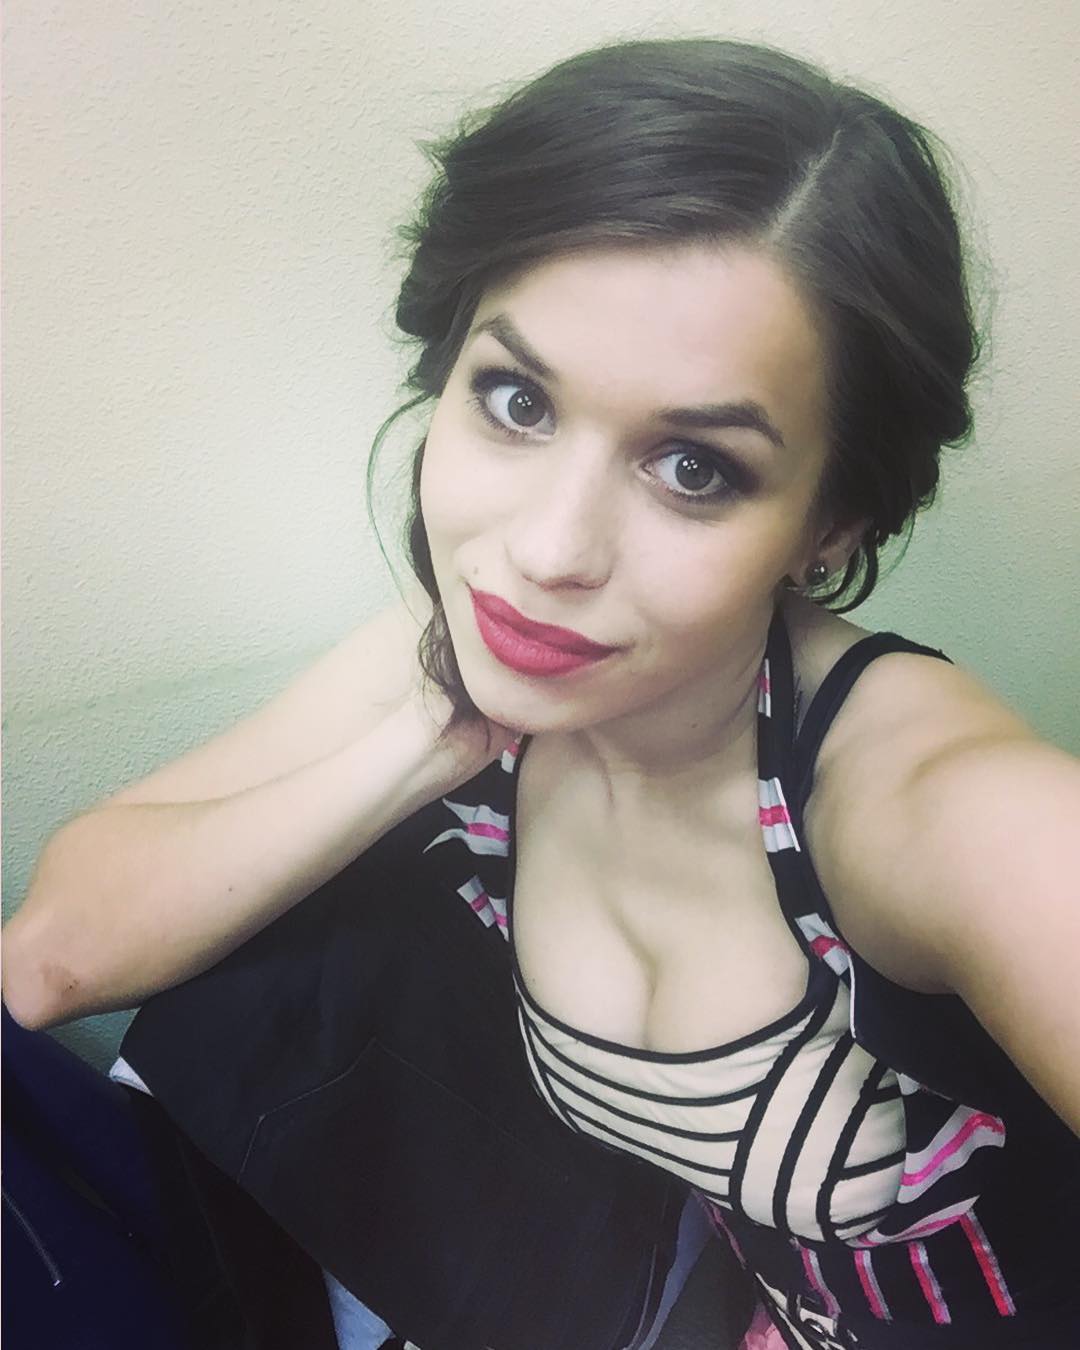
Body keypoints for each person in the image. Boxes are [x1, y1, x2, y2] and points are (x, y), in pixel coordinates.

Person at [4, 34, 1079, 1350]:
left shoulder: (925, 804)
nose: (548, 549)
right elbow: (50, 958)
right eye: (516, 400)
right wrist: (430, 738)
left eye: (693, 468)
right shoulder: (478, 646)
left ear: (830, 523)